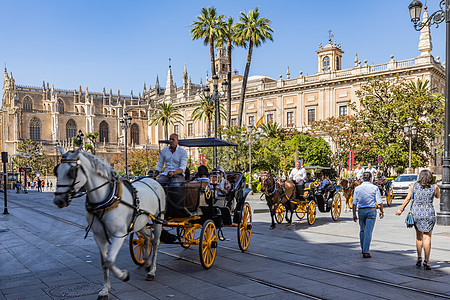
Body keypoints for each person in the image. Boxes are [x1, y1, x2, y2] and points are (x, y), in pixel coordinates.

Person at [395, 169, 440, 270]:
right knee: (427, 237)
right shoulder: (434, 187)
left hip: (417, 213)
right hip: (429, 213)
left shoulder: (414, 186)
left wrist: (401, 210)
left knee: (419, 236)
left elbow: (407, 198)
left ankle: (419, 257)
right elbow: (438, 196)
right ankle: (427, 261)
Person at [352, 171, 384, 258]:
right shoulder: (374, 188)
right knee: (368, 231)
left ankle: (363, 248)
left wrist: (354, 214)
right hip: (371, 210)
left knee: (362, 230)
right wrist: (381, 211)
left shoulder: (357, 188)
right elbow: (380, 202)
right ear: (370, 178)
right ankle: (366, 251)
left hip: (361, 211)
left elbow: (354, 203)